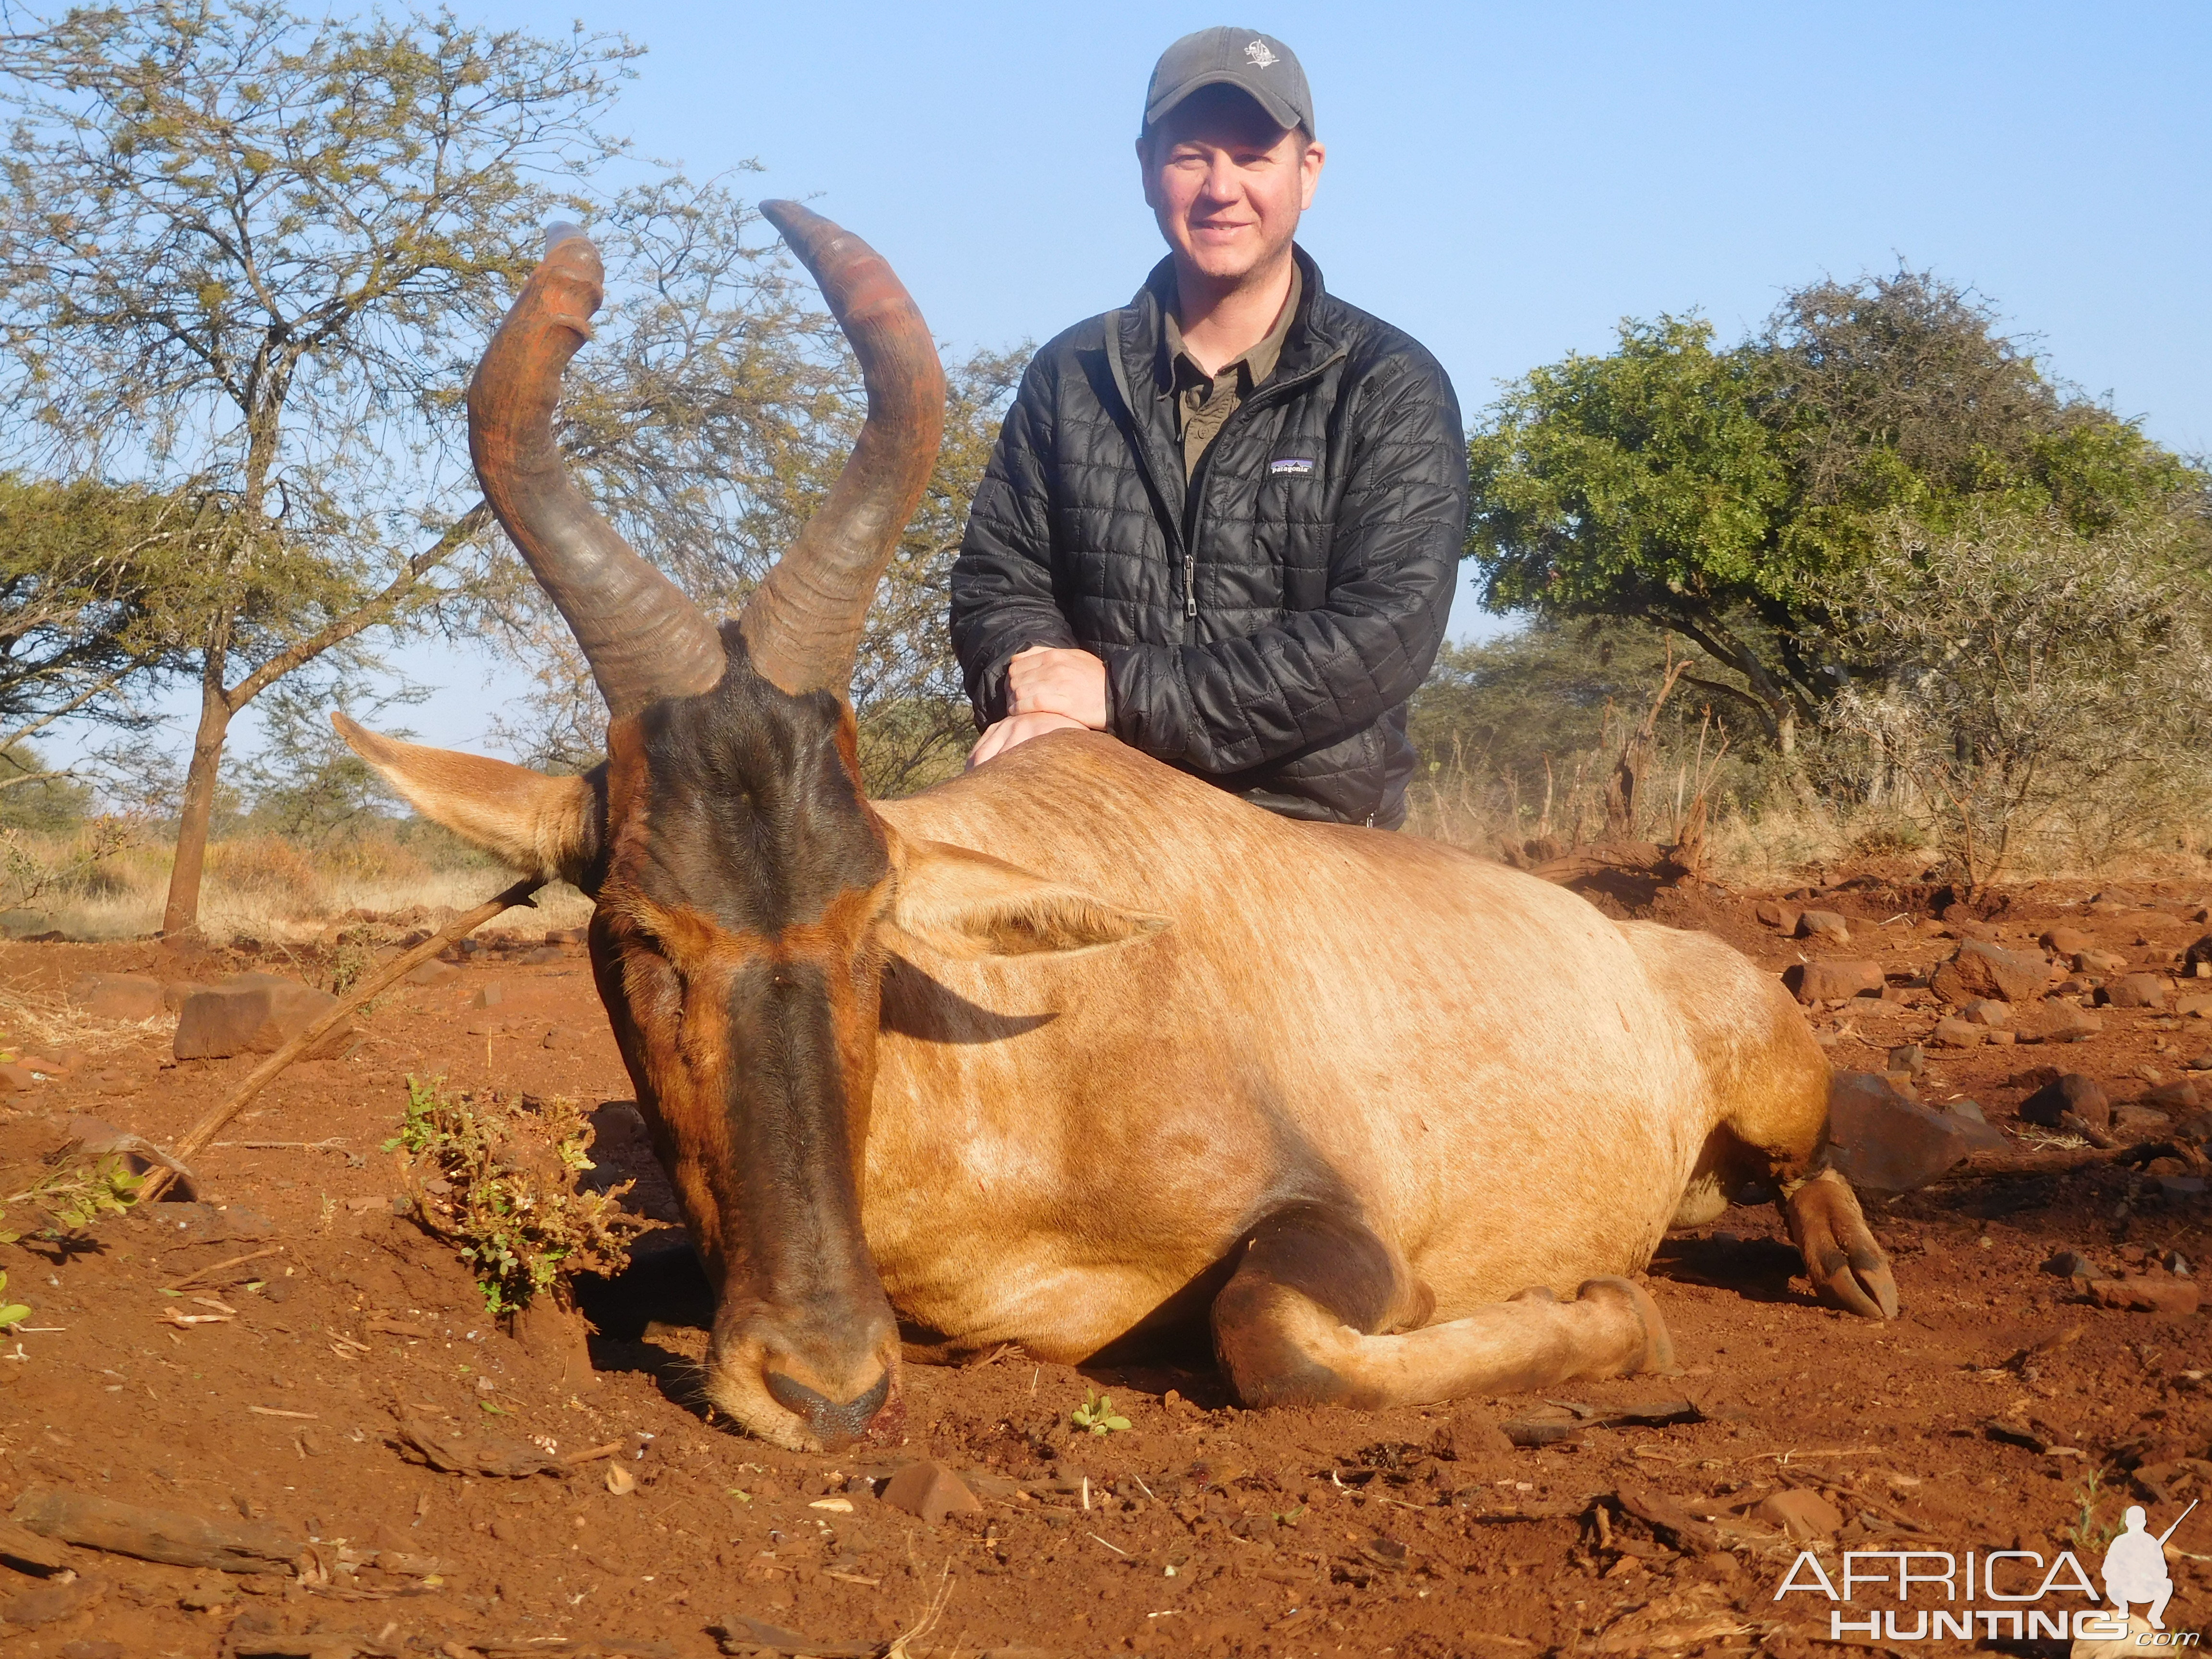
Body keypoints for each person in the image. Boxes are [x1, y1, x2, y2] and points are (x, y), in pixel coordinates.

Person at [950, 26, 1465, 828]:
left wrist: (1117, 695)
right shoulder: (1068, 371)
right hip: (1097, 806)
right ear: (1147, 170)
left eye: (1254, 155)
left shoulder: (1389, 381)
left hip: (1310, 831)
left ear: (1308, 171)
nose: (1220, 187)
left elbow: (1385, 632)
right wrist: (1038, 688)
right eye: (1191, 154)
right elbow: (998, 581)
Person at [2100, 1504, 2176, 1630]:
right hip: (2123, 1590)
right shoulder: (2120, 1542)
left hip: (2144, 1589)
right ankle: (2123, 1608)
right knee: (2111, 1584)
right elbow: (2108, 1570)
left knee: (2167, 1584)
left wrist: (2146, 1573)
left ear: (2127, 1523)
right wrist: (2125, 1572)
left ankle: (2154, 1616)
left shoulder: (2150, 1543)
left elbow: (2162, 1571)